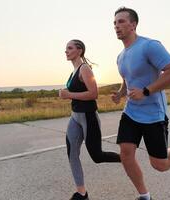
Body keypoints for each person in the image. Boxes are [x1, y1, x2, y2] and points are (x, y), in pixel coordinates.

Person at [111, 7, 170, 200]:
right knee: (126, 154)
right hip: (131, 112)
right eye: (114, 23)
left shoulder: (150, 45)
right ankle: (145, 196)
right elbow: (128, 79)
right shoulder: (120, 56)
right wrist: (120, 93)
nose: (116, 26)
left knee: (160, 165)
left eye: (121, 21)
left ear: (133, 24)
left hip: (153, 114)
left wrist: (146, 91)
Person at [59, 39, 121, 200]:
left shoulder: (84, 68)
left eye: (69, 48)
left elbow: (94, 94)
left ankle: (126, 159)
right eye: (66, 48)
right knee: (72, 153)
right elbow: (78, 91)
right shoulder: (73, 71)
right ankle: (81, 193)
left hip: (88, 117)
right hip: (75, 117)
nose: (66, 51)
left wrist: (68, 94)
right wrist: (67, 92)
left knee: (97, 156)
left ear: (79, 50)